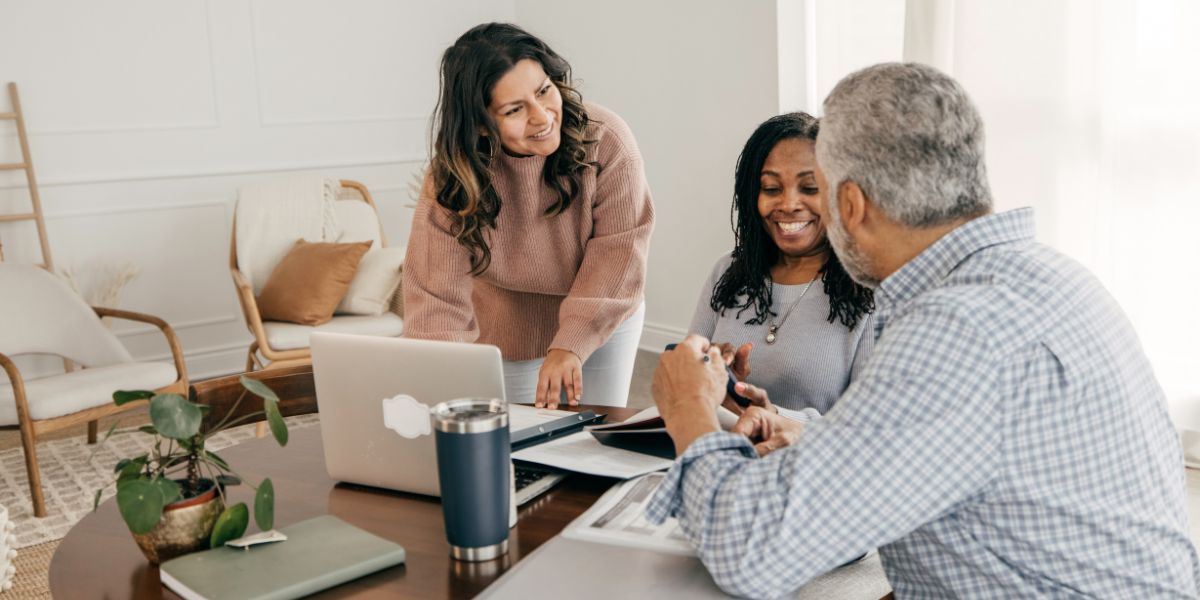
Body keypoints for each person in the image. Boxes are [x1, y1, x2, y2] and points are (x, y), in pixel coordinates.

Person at [648, 63, 1200, 598]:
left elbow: (750, 555)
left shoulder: (954, 330)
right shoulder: (1058, 280)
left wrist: (692, 409)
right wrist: (824, 444)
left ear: (849, 203)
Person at [403, 23, 653, 408]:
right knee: (521, 442)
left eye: (543, 91)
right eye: (515, 109)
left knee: (595, 439)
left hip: (603, 310)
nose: (542, 117)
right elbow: (438, 298)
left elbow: (618, 252)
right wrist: (442, 375)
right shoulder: (453, 178)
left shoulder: (607, 140)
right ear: (481, 126)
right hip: (505, 328)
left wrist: (570, 343)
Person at [689, 113, 874, 421]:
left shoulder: (870, 288)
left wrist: (771, 416)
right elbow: (686, 380)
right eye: (772, 189)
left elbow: (868, 429)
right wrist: (714, 381)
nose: (788, 204)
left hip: (811, 463)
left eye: (811, 188)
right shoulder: (728, 272)